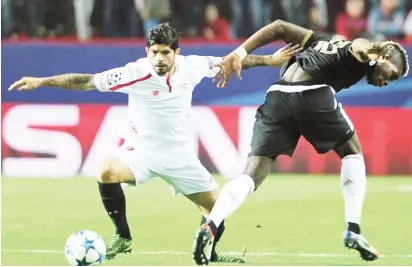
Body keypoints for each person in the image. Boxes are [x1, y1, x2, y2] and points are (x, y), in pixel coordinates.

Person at [8, 23, 302, 263]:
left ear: (177, 53)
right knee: (106, 169)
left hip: (179, 157)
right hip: (142, 152)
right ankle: (123, 236)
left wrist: (268, 60)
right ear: (147, 51)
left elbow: (234, 61)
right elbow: (86, 80)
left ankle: (209, 255)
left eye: (165, 53)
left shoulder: (194, 66)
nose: (159, 59)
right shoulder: (135, 73)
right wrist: (41, 81)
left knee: (217, 211)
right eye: (154, 53)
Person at [192, 19, 409, 265]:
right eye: (391, 74)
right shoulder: (362, 48)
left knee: (252, 175)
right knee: (352, 153)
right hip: (313, 92)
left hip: (277, 96)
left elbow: (279, 27)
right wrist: (370, 49)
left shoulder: (316, 42)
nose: (386, 82)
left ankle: (210, 226)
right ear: (383, 56)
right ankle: (353, 229)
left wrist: (239, 54)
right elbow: (358, 46)